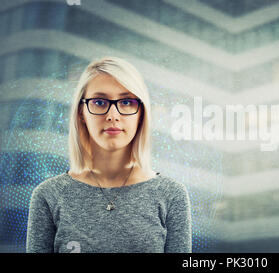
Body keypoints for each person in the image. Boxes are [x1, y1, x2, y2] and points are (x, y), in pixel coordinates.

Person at [26, 56, 192, 253]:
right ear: (81, 112)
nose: (113, 115)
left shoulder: (171, 195)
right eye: (99, 102)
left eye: (127, 102)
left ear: (141, 113)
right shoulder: (49, 196)